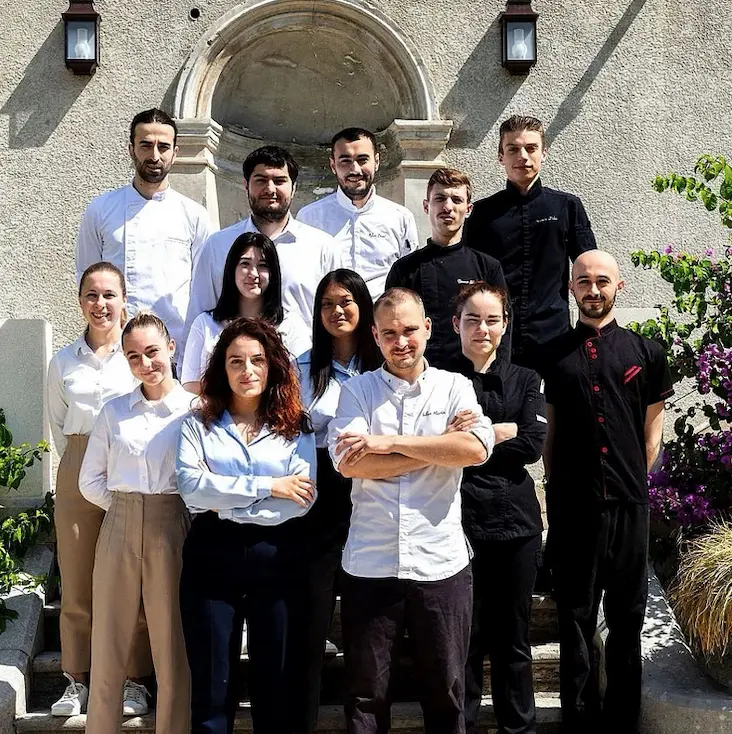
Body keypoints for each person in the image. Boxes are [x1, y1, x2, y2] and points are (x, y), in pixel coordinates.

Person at [328, 287, 497, 734]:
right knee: (365, 699)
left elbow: (475, 449)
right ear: (375, 336)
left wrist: (386, 443)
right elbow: (350, 463)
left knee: (446, 695)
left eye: (408, 330)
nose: (400, 342)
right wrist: (438, 448)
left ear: (428, 328)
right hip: (371, 564)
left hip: (440, 564)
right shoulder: (357, 392)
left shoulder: (455, 386)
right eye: (389, 334)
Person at [541, 250, 673, 734]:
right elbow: (550, 436)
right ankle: (578, 720)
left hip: (629, 506)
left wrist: (630, 480)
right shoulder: (554, 355)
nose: (593, 290)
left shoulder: (647, 353)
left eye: (602, 281)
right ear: (571, 288)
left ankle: (622, 720)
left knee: (627, 618)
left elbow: (652, 435)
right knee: (574, 617)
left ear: (619, 286)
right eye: (583, 281)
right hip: (574, 508)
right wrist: (558, 490)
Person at [176, 318, 317, 734]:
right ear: (222, 368)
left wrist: (225, 498)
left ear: (272, 365)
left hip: (277, 555)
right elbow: (191, 490)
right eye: (235, 361)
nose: (247, 370)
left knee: (276, 683)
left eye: (257, 360)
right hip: (211, 554)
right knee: (211, 685)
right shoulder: (197, 423)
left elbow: (302, 500)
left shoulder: (296, 425)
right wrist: (269, 486)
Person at [46, 262, 152, 717]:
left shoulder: (136, 356)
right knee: (77, 579)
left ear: (124, 300)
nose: (101, 304)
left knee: (135, 577)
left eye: (109, 294)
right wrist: (80, 461)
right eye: (92, 294)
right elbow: (58, 423)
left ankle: (134, 680)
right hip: (78, 463)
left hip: (128, 466)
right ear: (80, 301)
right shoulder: (63, 361)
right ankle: (77, 679)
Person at [78, 312, 193, 734]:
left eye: (152, 352)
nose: (145, 363)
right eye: (133, 356)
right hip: (120, 525)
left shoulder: (195, 410)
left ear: (171, 348)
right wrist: (126, 509)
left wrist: (170, 514)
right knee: (108, 644)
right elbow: (90, 479)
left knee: (172, 645)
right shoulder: (114, 412)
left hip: (173, 525)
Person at [452, 282, 547, 734]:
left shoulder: (527, 379)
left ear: (505, 325)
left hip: (516, 527)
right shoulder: (440, 380)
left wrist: (474, 437)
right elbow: (439, 448)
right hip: (456, 525)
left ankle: (520, 730)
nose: (482, 329)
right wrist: (502, 430)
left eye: (492, 319)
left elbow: (532, 445)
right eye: (473, 319)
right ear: (455, 324)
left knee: (513, 641)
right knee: (464, 640)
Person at [291, 269, 382, 733]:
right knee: (313, 611)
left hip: (374, 488)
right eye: (326, 304)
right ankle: (302, 720)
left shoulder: (383, 363)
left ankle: (364, 721)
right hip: (320, 492)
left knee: (368, 616)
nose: (337, 311)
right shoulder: (303, 367)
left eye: (346, 301)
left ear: (363, 306)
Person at [462, 115, 596, 373]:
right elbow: (469, 278)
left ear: (544, 153)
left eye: (531, 148)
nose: (522, 156)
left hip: (555, 339)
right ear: (500, 156)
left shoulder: (567, 207)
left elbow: (590, 271)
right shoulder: (481, 214)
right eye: (513, 149)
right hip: (497, 341)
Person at [76, 108, 214, 357]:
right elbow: (86, 278)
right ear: (131, 149)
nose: (154, 156)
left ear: (175, 153)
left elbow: (205, 290)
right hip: (116, 349)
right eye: (146, 145)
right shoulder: (101, 209)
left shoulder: (194, 216)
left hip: (175, 350)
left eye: (163, 147)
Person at [186, 145, 341, 340]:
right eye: (261, 180)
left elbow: (337, 316)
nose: (270, 189)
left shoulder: (322, 248)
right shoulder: (218, 246)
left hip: (304, 357)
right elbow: (199, 315)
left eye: (279, 181)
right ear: (246, 185)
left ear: (294, 187)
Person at [386, 168, 507, 371]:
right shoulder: (404, 269)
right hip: (421, 378)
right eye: (440, 199)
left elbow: (502, 331)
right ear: (426, 206)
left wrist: (497, 377)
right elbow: (392, 327)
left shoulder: (488, 268)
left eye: (456, 200)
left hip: (476, 377)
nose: (448, 207)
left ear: (468, 209)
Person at [297, 127, 419, 299]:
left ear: (376, 162)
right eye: (345, 161)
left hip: (382, 314)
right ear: (333, 165)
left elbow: (410, 281)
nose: (355, 170)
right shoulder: (309, 218)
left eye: (362, 160)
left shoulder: (401, 218)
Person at [181, 232, 310, 392]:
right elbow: (191, 385)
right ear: (232, 270)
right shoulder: (205, 324)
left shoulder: (291, 325)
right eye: (245, 264)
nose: (253, 274)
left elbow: (304, 383)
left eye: (262, 265)